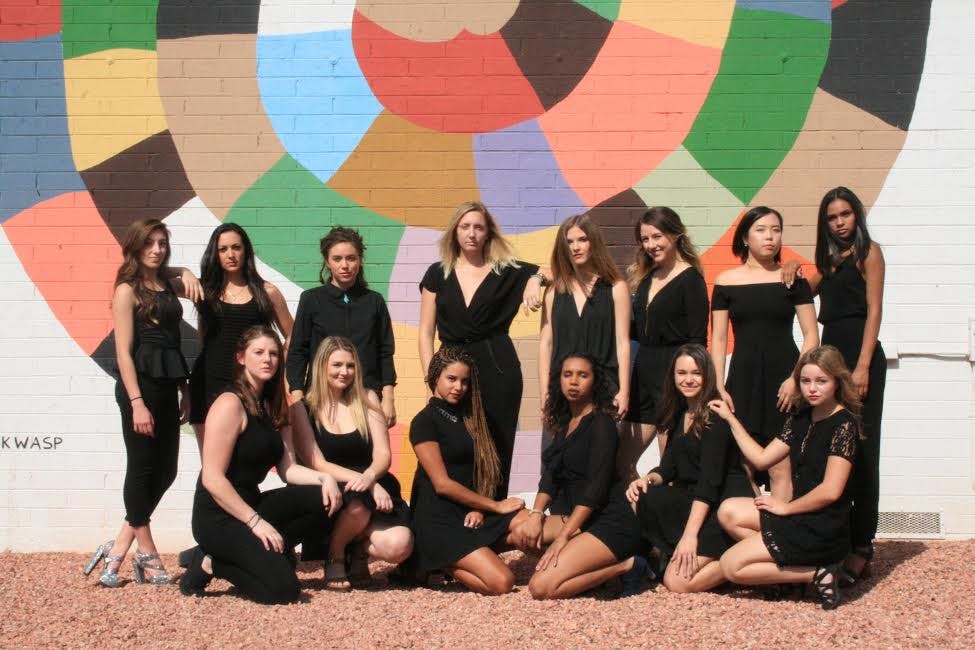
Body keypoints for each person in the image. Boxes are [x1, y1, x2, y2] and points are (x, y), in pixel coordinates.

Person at [179, 325, 342, 604]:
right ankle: (210, 561)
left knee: (326, 500)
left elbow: (288, 469)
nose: (267, 359)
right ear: (241, 357)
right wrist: (256, 523)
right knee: (284, 590)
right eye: (259, 352)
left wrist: (325, 479)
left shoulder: (274, 405)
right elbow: (212, 478)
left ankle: (260, 555)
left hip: (251, 503)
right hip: (218, 515)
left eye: (274, 354)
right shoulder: (229, 403)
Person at [83, 218, 200, 587]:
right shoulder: (126, 290)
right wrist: (136, 402)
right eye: (149, 243)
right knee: (141, 468)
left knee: (167, 471)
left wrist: (184, 389)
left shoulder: (166, 282)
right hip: (140, 389)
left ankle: (118, 545)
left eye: (162, 243)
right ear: (135, 246)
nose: (156, 249)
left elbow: (172, 342)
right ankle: (146, 552)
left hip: (168, 385)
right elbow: (123, 353)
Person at [782, 187, 886, 583]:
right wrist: (790, 267)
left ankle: (863, 544)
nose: (839, 222)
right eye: (832, 217)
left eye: (845, 214)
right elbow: (802, 295)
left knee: (863, 448)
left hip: (859, 356)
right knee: (830, 448)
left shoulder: (869, 252)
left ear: (856, 216)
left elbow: (875, 310)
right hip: (830, 358)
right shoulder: (828, 260)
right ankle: (834, 540)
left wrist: (861, 368)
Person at [713, 346, 862, 609]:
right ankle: (790, 572)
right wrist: (730, 419)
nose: (812, 388)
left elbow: (831, 490)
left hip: (822, 526)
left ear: (837, 381)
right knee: (728, 511)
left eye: (821, 381)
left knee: (730, 566)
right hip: (796, 517)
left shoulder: (844, 425)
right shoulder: (800, 418)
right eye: (805, 381)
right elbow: (761, 459)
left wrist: (787, 508)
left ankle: (817, 573)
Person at [419, 200, 547, 498]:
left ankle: (494, 519)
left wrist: (535, 281)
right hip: (450, 370)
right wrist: (430, 379)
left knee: (496, 448)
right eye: (465, 227)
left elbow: (550, 271)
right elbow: (425, 334)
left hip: (497, 369)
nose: (472, 233)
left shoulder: (507, 271)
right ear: (455, 232)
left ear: (488, 233)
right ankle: (452, 517)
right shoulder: (437, 273)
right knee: (453, 444)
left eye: (479, 227)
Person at [509, 354, 645, 600]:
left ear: (595, 382)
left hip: (611, 523)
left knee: (541, 587)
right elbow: (550, 476)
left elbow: (596, 489)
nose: (574, 382)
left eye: (583, 375)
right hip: (581, 520)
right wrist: (537, 514)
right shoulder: (566, 423)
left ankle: (628, 566)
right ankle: (584, 568)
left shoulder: (602, 424)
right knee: (521, 532)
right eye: (567, 374)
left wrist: (563, 538)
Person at [710, 206, 819, 499]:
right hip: (743, 378)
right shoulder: (725, 281)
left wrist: (796, 379)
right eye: (760, 230)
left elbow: (812, 334)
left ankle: (784, 532)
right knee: (742, 458)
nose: (769, 237)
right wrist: (717, 384)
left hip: (785, 377)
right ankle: (749, 530)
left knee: (782, 461)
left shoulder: (793, 279)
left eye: (775, 230)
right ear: (745, 238)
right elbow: (718, 338)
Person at [625, 344, 753, 594]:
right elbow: (669, 467)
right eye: (682, 373)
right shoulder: (680, 412)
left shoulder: (715, 415)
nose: (688, 379)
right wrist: (649, 479)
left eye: (696, 373)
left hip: (720, 502)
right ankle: (670, 552)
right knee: (638, 495)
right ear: (672, 376)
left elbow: (709, 482)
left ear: (707, 376)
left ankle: (735, 557)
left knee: (676, 582)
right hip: (695, 499)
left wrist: (690, 536)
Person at [290, 337, 413, 590]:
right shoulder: (303, 409)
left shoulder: (367, 398)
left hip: (374, 481)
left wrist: (369, 478)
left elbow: (383, 455)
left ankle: (357, 550)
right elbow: (317, 463)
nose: (344, 372)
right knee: (358, 505)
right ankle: (334, 555)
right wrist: (366, 485)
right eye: (337, 365)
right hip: (332, 491)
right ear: (321, 366)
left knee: (401, 544)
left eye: (350, 365)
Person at [408, 346, 526, 595]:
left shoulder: (472, 418)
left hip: (469, 512)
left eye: (464, 381)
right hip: (438, 520)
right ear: (434, 377)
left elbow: (482, 471)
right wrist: (493, 506)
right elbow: (442, 484)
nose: (458, 387)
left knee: (530, 523)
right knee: (502, 582)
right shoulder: (424, 422)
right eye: (451, 379)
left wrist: (478, 508)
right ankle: (439, 561)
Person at [620, 207, 709, 480]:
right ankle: (640, 513)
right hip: (642, 373)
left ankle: (670, 519)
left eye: (657, 236)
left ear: (675, 234)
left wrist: (689, 380)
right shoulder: (647, 277)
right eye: (645, 239)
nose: (650, 245)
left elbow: (697, 339)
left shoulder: (690, 279)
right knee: (621, 462)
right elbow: (635, 330)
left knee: (669, 464)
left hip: (673, 373)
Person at [189, 223, 293, 448]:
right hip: (207, 383)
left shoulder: (267, 292)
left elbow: (293, 337)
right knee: (212, 462)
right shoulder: (203, 290)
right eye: (223, 249)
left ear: (245, 250)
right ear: (214, 254)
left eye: (236, 247)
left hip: (250, 386)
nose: (230, 254)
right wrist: (182, 272)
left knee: (246, 456)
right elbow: (154, 279)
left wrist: (273, 368)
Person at [288, 227, 398, 426]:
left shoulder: (374, 301)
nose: (345, 265)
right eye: (337, 259)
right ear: (327, 262)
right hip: (321, 400)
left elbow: (385, 351)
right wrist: (297, 399)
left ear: (360, 260)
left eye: (351, 258)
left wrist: (388, 397)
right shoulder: (311, 300)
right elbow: (297, 351)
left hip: (366, 397)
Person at [539, 214, 631, 423]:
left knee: (600, 455)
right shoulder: (554, 291)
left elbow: (622, 343)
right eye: (569, 242)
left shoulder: (616, 288)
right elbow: (546, 343)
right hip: (560, 394)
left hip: (604, 391)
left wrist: (624, 390)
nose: (575, 247)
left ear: (594, 243)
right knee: (556, 453)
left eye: (582, 240)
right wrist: (544, 392)